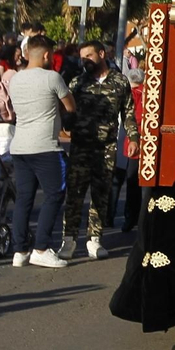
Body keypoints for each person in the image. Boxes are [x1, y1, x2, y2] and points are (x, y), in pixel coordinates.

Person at [9, 35, 77, 269]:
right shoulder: (52, 77)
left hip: (20, 146)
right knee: (54, 195)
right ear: (47, 55)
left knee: (24, 199)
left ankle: (19, 250)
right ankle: (41, 248)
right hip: (46, 146)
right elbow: (70, 106)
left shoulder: (15, 79)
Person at [59, 41, 130, 260]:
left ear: (102, 54)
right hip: (80, 146)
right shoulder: (77, 83)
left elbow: (128, 112)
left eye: (89, 56)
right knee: (74, 194)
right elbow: (66, 111)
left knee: (101, 194)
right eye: (82, 57)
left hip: (106, 147)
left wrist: (134, 137)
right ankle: (69, 240)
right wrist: (67, 123)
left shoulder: (120, 81)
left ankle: (94, 240)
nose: (85, 60)